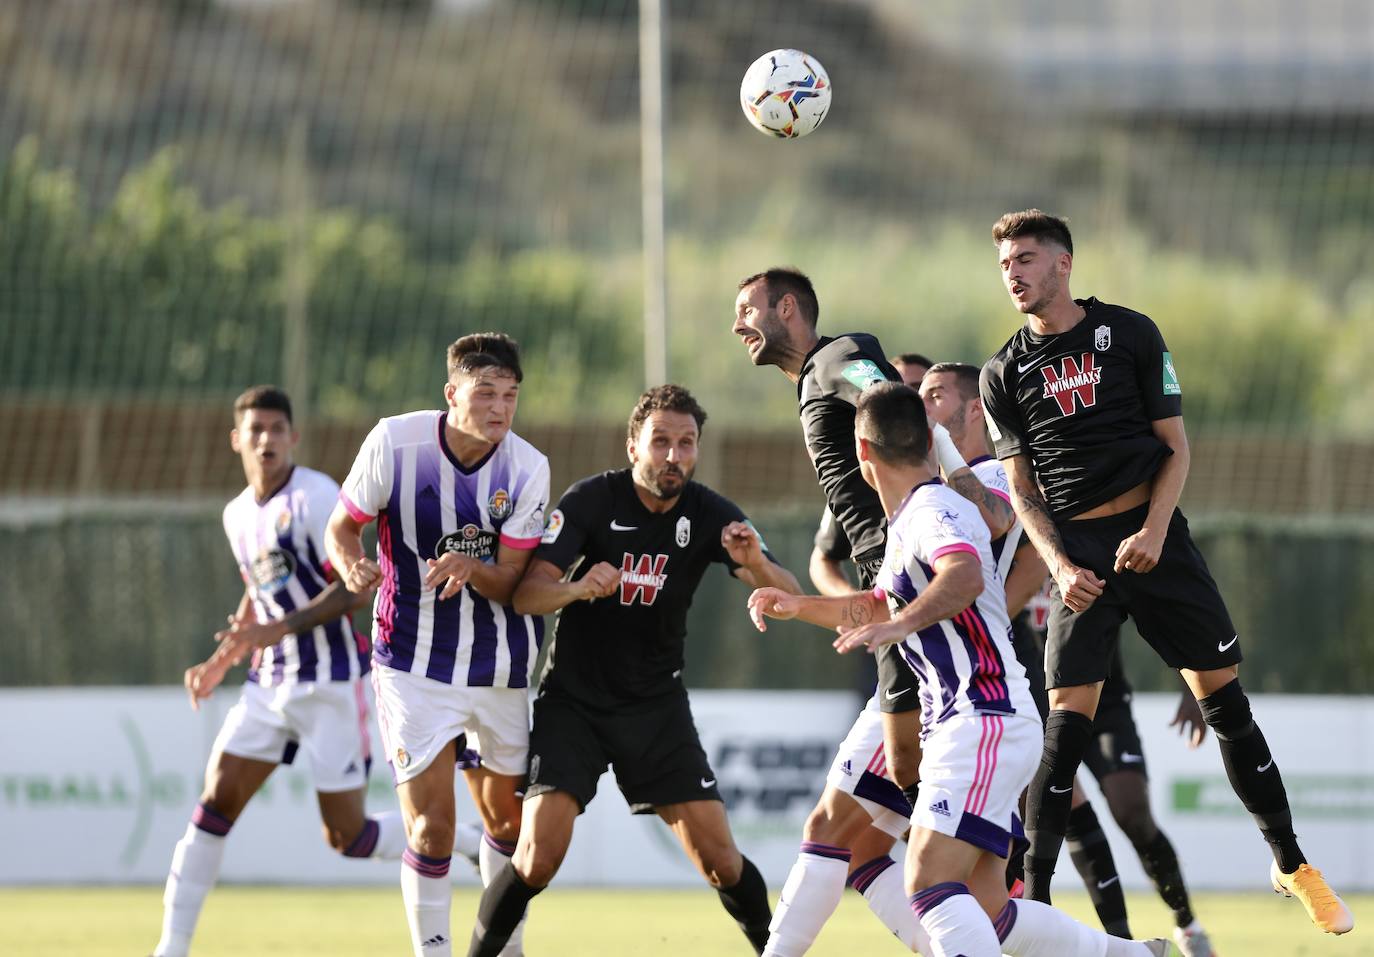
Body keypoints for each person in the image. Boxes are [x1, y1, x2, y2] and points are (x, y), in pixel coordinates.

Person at [979, 209, 1353, 935]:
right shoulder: (1003, 371)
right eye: (1004, 264)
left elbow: (1177, 449)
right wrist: (1058, 563)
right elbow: (1021, 488)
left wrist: (1152, 530)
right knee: (1064, 731)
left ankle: (1291, 862)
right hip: (1081, 558)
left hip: (1157, 539)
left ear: (1064, 263)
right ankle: (1032, 900)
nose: (1014, 273)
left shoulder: (1131, 332)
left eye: (1027, 258)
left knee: (1228, 706)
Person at [749, 382, 1179, 957]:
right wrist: (801, 607)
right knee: (987, 912)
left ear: (862, 453)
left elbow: (965, 575)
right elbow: (882, 603)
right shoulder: (918, 515)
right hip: (985, 723)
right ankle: (1137, 956)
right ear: (930, 442)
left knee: (927, 879)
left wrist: (900, 627)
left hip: (981, 720)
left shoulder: (931, 510)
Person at [732, 269, 1014, 955]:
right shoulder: (818, 381)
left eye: (748, 310)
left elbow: (894, 404)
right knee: (855, 839)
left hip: (915, 619)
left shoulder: (835, 358)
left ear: (788, 309)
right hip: (896, 605)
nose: (739, 325)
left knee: (889, 842)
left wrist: (966, 482)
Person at [464, 385, 799, 957]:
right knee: (538, 857)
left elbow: (791, 598)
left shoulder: (714, 514)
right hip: (575, 704)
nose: (674, 455)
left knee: (721, 861)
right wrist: (576, 587)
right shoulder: (592, 500)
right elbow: (526, 596)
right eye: (661, 441)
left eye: (686, 443)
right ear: (633, 445)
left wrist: (757, 563)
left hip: (656, 709)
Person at [921, 362, 1219, 955]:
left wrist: (1195, 683)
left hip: (1104, 689)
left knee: (1130, 810)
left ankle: (1183, 922)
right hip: (1043, 684)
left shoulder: (1053, 507)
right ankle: (1116, 941)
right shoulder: (967, 501)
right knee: (1053, 811)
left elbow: (1160, 597)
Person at [153, 386, 403, 957]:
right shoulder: (236, 514)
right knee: (215, 803)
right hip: (268, 685)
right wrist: (222, 659)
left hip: (332, 682)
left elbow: (355, 588)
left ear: (293, 436)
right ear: (237, 440)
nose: (266, 439)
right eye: (255, 429)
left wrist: (278, 629)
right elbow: (258, 589)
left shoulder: (317, 498)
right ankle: (170, 948)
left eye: (276, 428)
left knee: (350, 837)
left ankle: (450, 840)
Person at [326, 334, 550, 957]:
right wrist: (349, 564)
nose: (499, 408)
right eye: (485, 394)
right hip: (410, 662)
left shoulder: (527, 467)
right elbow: (342, 527)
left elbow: (512, 579)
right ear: (451, 394)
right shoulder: (396, 443)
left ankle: (506, 949)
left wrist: (471, 568)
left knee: (508, 826)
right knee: (431, 830)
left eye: (510, 396)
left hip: (499, 666)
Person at [808, 352, 932, 597]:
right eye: (898, 389)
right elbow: (822, 561)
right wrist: (858, 608)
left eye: (918, 390)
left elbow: (965, 571)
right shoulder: (860, 480)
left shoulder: (963, 472)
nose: (906, 401)